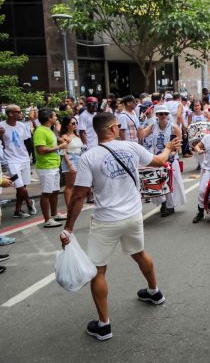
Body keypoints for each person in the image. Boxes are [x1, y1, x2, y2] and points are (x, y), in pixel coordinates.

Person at [59, 111, 181, 340]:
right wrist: (169, 148)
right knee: (139, 253)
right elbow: (159, 160)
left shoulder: (89, 156)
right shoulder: (130, 147)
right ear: (114, 128)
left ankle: (104, 325)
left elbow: (78, 196)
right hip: (133, 215)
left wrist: (68, 228)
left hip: (106, 220)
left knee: (98, 270)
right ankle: (154, 292)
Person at [137, 105, 185, 217]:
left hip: (170, 159)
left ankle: (170, 206)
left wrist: (171, 155)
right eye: (160, 114)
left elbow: (177, 145)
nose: (163, 116)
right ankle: (163, 203)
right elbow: (141, 136)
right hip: (157, 159)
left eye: (165, 114)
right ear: (157, 115)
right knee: (157, 183)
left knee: (170, 183)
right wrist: (140, 122)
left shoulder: (174, 128)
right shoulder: (153, 126)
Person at [32, 108, 67, 227]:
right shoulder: (40, 131)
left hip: (53, 165)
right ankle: (47, 220)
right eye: (54, 116)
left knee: (55, 191)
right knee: (46, 193)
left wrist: (59, 140)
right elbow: (41, 150)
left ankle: (55, 214)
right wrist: (60, 146)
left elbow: (50, 142)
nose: (56, 117)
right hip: (46, 166)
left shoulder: (48, 130)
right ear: (49, 118)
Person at [0, 105, 36, 217]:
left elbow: (27, 142)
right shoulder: (1, 126)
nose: (22, 113)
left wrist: (30, 157)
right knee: (19, 185)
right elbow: (1, 144)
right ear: (10, 114)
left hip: (24, 158)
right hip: (10, 160)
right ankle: (29, 201)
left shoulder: (22, 126)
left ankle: (18, 211)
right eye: (19, 112)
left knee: (22, 186)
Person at [59, 116, 84, 214]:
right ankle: (69, 207)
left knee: (77, 184)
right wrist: (70, 164)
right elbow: (63, 152)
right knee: (70, 185)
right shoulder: (64, 137)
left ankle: (74, 205)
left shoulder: (76, 136)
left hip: (79, 158)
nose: (75, 125)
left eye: (76, 123)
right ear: (67, 125)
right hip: (70, 159)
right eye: (73, 123)